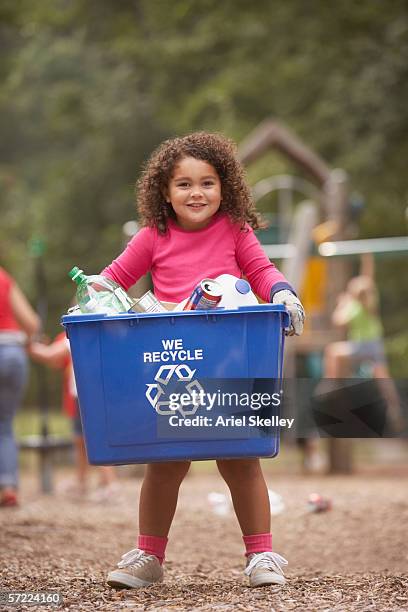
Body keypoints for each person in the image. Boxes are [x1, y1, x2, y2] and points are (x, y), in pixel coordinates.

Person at [100, 132, 305, 589]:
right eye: (184, 184)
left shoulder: (236, 230)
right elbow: (113, 280)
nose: (197, 193)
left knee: (241, 459)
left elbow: (261, 270)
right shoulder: (154, 236)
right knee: (165, 463)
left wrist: (283, 294)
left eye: (208, 183)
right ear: (164, 192)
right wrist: (93, 300)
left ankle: (262, 555)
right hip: (176, 364)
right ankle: (148, 555)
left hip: (230, 360)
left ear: (225, 187)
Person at [29, 331, 118, 501]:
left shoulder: (75, 335)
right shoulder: (102, 332)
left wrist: (27, 344)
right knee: (81, 440)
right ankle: (82, 481)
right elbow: (57, 362)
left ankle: (109, 484)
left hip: (86, 394)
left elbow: (50, 356)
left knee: (94, 439)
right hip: (93, 392)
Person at [324, 259, 403, 432]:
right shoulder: (365, 303)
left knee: (333, 352)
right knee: (383, 379)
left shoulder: (359, 304)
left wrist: (342, 303)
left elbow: (337, 320)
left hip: (361, 346)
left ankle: (332, 384)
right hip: (374, 345)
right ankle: (394, 407)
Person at [0, 266, 40, 507]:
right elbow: (32, 324)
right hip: (13, 353)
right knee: (4, 424)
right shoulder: (3, 277)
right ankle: (9, 486)